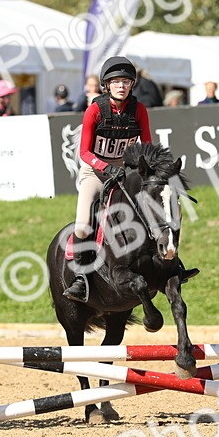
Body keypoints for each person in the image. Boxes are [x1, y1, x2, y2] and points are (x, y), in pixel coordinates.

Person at [62, 56, 153, 303]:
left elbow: (146, 145)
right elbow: (83, 152)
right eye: (116, 82)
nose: (121, 86)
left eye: (126, 81)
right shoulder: (94, 111)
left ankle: (166, 263)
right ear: (106, 85)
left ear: (132, 84)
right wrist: (105, 167)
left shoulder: (139, 110)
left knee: (154, 206)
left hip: (125, 171)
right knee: (82, 225)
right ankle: (81, 278)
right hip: (95, 171)